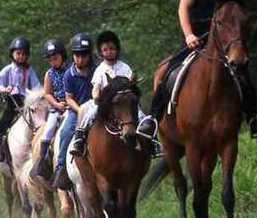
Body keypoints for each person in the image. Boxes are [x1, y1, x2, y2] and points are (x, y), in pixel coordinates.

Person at [150, 0, 257, 138]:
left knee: (243, 73)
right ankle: (152, 119)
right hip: (195, 38)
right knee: (168, 72)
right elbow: (182, 9)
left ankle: (253, 118)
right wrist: (188, 35)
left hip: (217, 39)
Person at [69, 31, 160, 159]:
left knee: (143, 117)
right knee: (88, 116)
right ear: (101, 52)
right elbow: (96, 86)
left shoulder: (125, 67)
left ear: (117, 49)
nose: (109, 52)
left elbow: (131, 85)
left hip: (124, 102)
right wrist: (96, 97)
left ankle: (154, 144)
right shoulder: (100, 69)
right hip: (106, 103)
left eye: (112, 49)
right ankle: (79, 141)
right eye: (105, 50)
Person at [51, 32, 96, 190]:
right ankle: (61, 168)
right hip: (76, 110)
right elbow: (68, 98)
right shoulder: (69, 74)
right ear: (72, 55)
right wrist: (80, 110)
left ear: (90, 55)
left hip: (96, 108)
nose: (80, 59)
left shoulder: (97, 70)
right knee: (65, 133)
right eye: (77, 55)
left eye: (84, 55)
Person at [0, 36, 40, 163]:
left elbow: (36, 86)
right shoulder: (8, 69)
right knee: (2, 124)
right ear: (12, 53)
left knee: (39, 120)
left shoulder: (29, 70)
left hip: (26, 101)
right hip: (12, 101)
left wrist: (36, 94)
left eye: (23, 54)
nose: (20, 56)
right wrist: (4, 89)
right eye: (18, 53)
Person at [30, 39, 70, 188]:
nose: (53, 62)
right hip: (56, 108)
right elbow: (47, 94)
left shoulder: (72, 69)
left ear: (62, 56)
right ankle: (42, 161)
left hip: (73, 106)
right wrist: (57, 104)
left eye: (56, 58)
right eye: (50, 60)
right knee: (47, 133)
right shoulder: (49, 74)